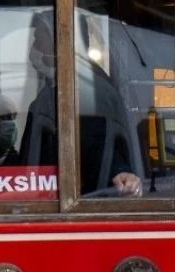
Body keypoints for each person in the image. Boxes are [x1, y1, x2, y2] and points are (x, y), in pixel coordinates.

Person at [22, 13, 142, 196]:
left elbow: (99, 146)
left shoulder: (88, 91)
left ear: (58, 42)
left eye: (39, 39)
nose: (34, 47)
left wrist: (119, 171)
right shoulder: (53, 90)